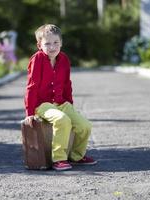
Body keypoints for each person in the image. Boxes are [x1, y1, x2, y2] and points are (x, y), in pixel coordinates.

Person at [24, 24, 97, 171]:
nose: (52, 47)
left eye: (56, 43)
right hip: (42, 104)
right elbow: (31, 87)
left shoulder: (64, 59)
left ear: (61, 43)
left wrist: (69, 105)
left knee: (84, 126)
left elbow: (66, 84)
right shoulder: (37, 60)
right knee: (61, 119)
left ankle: (77, 156)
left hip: (61, 103)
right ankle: (59, 159)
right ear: (39, 45)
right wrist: (30, 112)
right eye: (47, 43)